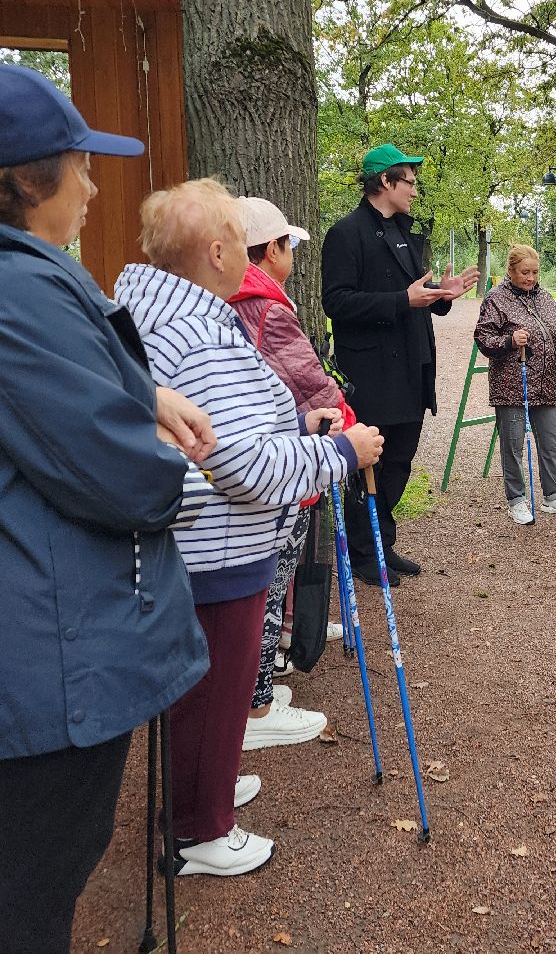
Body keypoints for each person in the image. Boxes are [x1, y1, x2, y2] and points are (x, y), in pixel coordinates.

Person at [0, 64, 212, 952]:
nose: (93, 184)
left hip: (31, 621)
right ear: (27, 179)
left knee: (47, 859)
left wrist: (136, 393)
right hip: (55, 643)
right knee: (41, 878)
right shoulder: (0, 292)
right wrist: (173, 466)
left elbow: (23, 405)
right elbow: (119, 477)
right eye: (79, 165)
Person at [115, 179, 384, 878]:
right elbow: (242, 465)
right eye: (240, 240)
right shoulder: (197, 330)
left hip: (195, 536)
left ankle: (202, 788)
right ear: (213, 251)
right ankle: (200, 830)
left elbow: (225, 430)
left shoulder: (162, 309)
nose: (254, 256)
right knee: (215, 682)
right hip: (217, 542)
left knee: (211, 688)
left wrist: (296, 425)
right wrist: (336, 452)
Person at [321, 144, 478, 584]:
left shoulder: (406, 232)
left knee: (400, 462)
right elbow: (336, 302)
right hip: (373, 375)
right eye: (409, 181)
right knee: (369, 463)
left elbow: (416, 295)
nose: (414, 189)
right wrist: (401, 300)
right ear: (385, 181)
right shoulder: (346, 233)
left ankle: (382, 543)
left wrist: (441, 295)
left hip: (412, 368)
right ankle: (362, 553)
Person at [228, 196, 352, 750]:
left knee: (265, 585)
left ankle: (254, 693)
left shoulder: (233, 297)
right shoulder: (266, 307)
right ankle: (255, 706)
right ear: (270, 249)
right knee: (270, 582)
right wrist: (350, 429)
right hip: (282, 460)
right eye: (290, 245)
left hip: (260, 456)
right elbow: (308, 381)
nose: (293, 255)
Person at [472, 243, 556, 523]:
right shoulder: (496, 298)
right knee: (513, 445)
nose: (531, 278)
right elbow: (483, 338)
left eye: (534, 272)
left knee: (551, 443)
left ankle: (552, 496)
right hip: (511, 386)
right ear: (511, 270)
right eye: (525, 272)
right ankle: (516, 500)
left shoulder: (544, 297)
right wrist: (509, 341)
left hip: (545, 384)